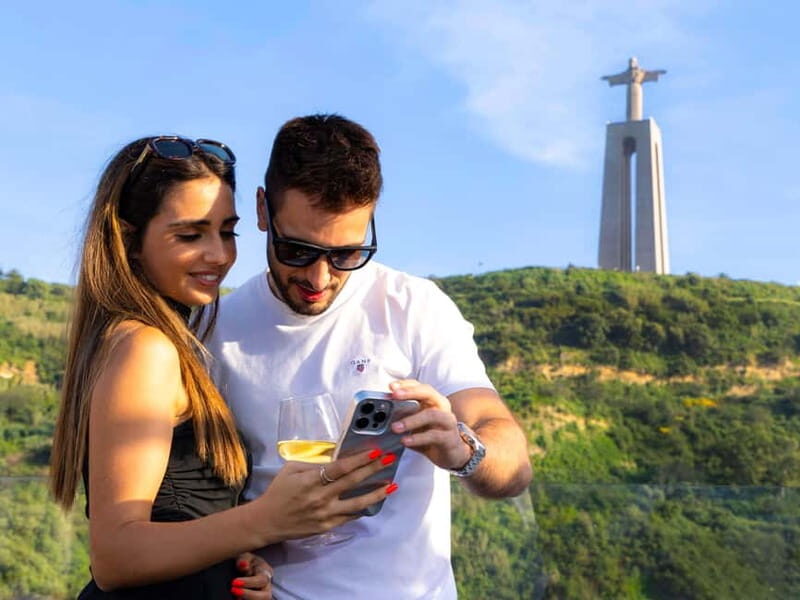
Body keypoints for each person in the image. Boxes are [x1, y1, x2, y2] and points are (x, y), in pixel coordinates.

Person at [49, 135, 392, 599]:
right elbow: (115, 556)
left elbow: (173, 522)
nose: (220, 255)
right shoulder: (146, 348)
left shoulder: (158, 340)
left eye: (227, 231)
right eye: (190, 235)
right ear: (130, 240)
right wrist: (264, 520)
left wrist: (234, 556)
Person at [207, 114, 533, 599]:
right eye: (297, 250)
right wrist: (235, 559)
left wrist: (463, 449)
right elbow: (202, 503)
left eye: (346, 254)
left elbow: (514, 466)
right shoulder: (216, 329)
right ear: (261, 209)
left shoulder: (414, 307)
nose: (319, 278)